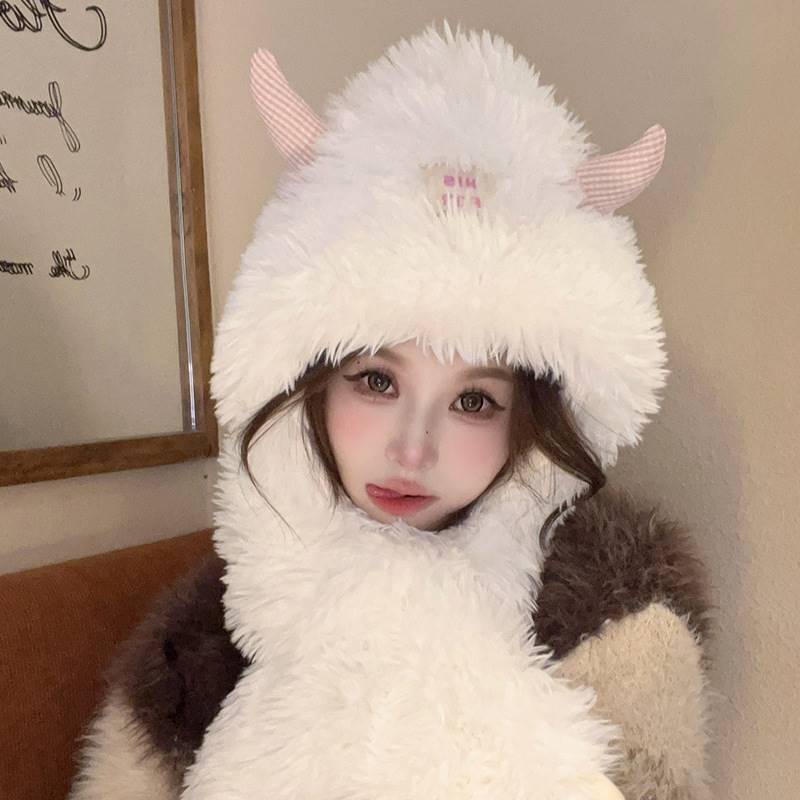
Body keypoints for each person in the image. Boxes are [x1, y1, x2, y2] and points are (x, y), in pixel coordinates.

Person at [69, 22, 712, 800]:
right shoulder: (201, 641)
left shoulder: (616, 610)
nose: (412, 450)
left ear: (535, 419)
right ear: (308, 378)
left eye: (473, 401)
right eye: (376, 381)